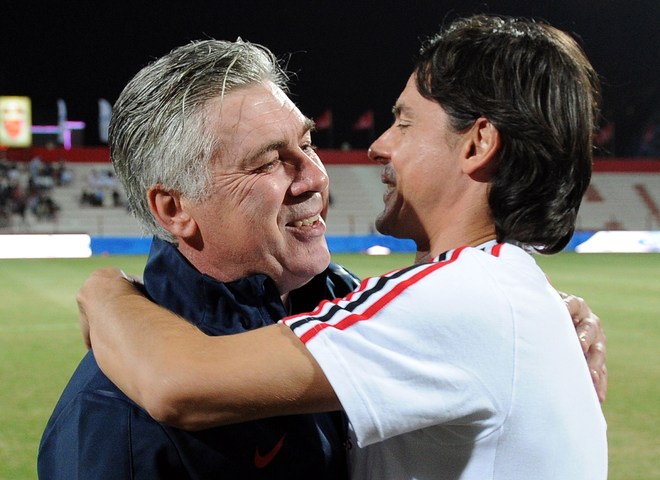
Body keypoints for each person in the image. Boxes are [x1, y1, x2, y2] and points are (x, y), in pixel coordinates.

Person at [77, 14, 608, 479]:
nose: (376, 146)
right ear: (173, 209)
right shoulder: (113, 407)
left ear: (477, 143)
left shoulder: (469, 301)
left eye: (403, 122)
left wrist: (106, 291)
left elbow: (179, 382)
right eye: (267, 161)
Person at [38, 39, 360, 480]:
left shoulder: (355, 306)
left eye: (308, 145)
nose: (315, 178)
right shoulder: (116, 418)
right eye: (269, 161)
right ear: (175, 209)